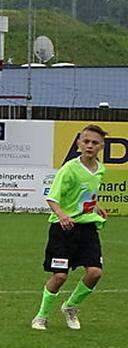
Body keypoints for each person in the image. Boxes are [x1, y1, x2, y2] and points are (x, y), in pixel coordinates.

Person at [32, 124, 109, 331]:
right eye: (86, 141)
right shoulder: (68, 169)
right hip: (63, 229)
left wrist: (96, 207)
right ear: (78, 144)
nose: (89, 146)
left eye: (94, 143)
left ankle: (71, 307)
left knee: (95, 273)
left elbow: (86, 194)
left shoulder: (100, 169)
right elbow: (52, 198)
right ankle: (41, 316)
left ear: (101, 146)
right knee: (60, 276)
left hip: (88, 228)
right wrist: (62, 215)